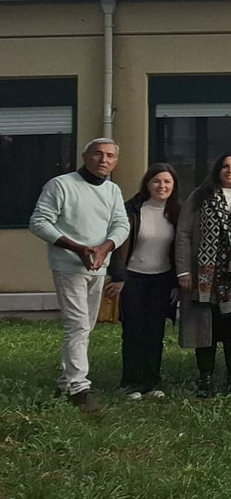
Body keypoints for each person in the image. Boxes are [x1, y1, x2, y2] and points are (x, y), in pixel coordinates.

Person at [29, 138, 130, 411]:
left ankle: (66, 380)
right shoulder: (61, 185)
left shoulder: (112, 190)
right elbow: (39, 221)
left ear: (116, 161)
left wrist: (104, 248)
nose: (104, 159)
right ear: (85, 156)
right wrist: (77, 248)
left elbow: (121, 224)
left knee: (86, 326)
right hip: (69, 266)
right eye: (97, 154)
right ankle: (79, 388)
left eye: (110, 155)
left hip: (98, 266)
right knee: (78, 325)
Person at [176, 152, 231, 398]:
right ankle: (205, 378)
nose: (230, 170)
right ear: (217, 169)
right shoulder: (199, 197)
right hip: (206, 276)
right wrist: (184, 270)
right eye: (225, 165)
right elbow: (183, 233)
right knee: (207, 327)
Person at [106, 163, 180, 400]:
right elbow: (116, 246)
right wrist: (118, 276)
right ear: (147, 183)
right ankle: (132, 382)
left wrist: (178, 282)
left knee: (155, 331)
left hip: (163, 280)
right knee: (133, 330)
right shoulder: (131, 210)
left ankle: (152, 379)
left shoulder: (177, 212)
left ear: (174, 185)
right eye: (157, 181)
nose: (162, 186)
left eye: (167, 181)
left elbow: (181, 248)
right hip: (133, 279)